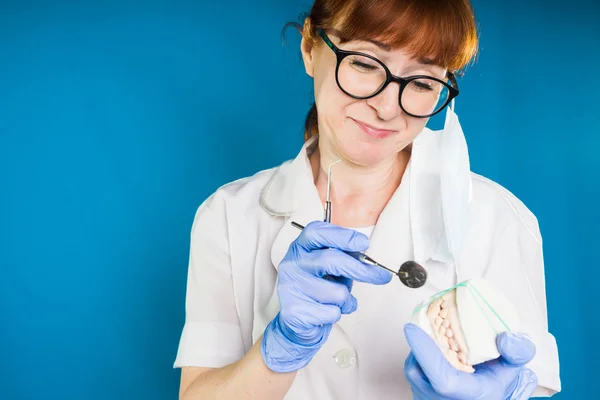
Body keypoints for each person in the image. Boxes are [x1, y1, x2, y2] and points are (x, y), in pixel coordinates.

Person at [173, 0, 561, 398]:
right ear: (310, 47)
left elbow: (527, 383)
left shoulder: (496, 217)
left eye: (424, 83)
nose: (387, 107)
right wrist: (280, 348)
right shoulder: (228, 215)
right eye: (363, 63)